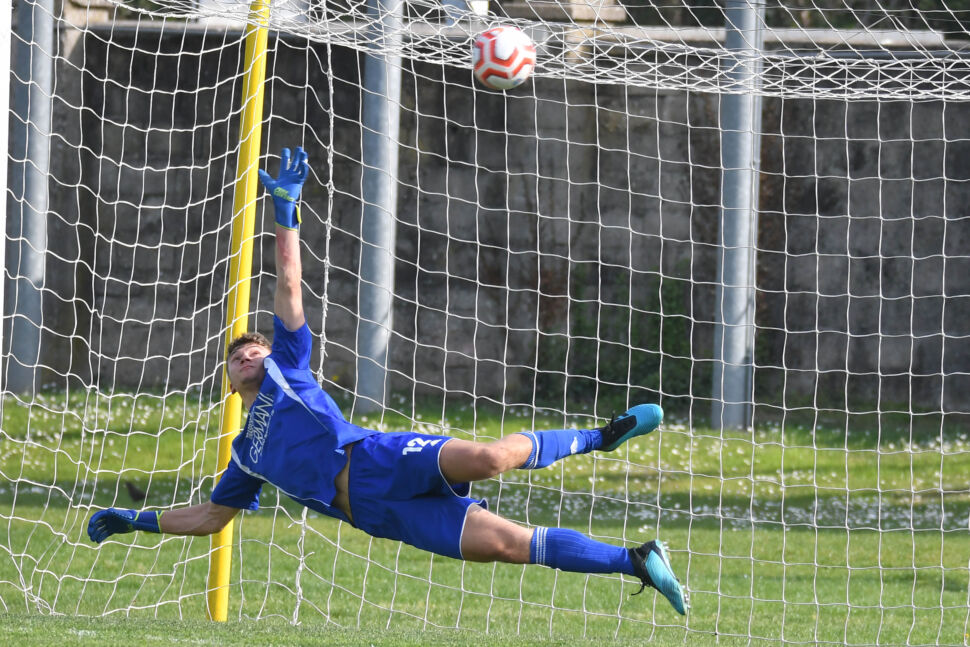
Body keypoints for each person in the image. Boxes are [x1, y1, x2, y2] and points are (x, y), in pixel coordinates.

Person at [87, 147, 687, 616]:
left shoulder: (287, 368)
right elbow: (211, 518)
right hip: (378, 514)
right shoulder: (247, 455)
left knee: (488, 458)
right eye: (238, 354)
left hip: (379, 461)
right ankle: (637, 561)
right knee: (509, 546)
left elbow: (289, 288)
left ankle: (600, 437)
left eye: (256, 346)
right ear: (227, 377)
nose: (248, 353)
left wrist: (286, 213)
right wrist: (131, 520)